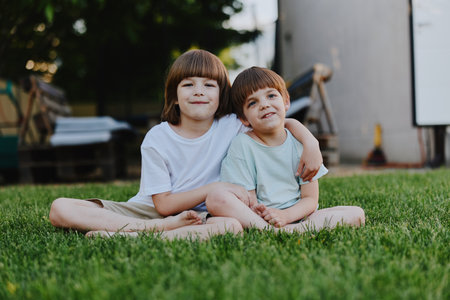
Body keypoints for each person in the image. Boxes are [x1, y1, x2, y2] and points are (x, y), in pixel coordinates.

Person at [49, 50, 323, 240]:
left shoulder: (231, 124)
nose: (199, 91)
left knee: (229, 226)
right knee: (61, 208)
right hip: (151, 212)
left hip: (201, 216)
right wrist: (212, 189)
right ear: (175, 96)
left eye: (209, 85)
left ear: (222, 96)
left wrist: (310, 142)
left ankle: (128, 238)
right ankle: (152, 231)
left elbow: (275, 121)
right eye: (188, 84)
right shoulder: (158, 138)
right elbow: (164, 204)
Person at [206, 67, 365, 232]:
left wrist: (286, 216)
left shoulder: (300, 143)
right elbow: (248, 199)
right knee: (216, 197)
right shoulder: (242, 145)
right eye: (253, 103)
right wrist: (264, 214)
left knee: (356, 213)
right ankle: (270, 230)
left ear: (286, 101)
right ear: (244, 118)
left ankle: (292, 230)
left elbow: (310, 199)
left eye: (271, 96)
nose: (264, 105)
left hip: (299, 216)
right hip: (258, 217)